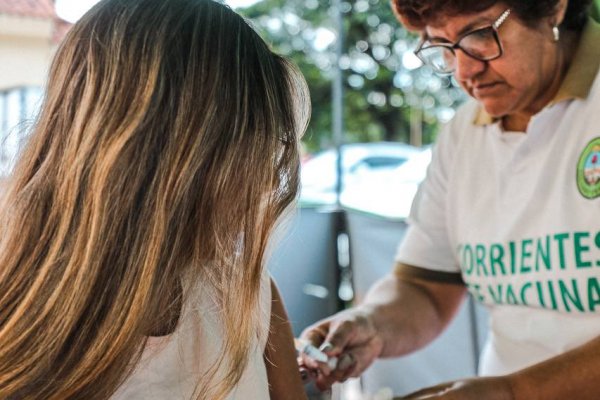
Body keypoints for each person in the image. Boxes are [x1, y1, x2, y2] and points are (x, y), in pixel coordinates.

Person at [0, 0, 311, 399]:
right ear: (175, 156)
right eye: (256, 146)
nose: (268, 179)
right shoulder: (21, 321)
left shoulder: (247, 295)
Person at [301, 0, 600, 398]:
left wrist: (513, 391)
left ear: (554, 9)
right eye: (442, 46)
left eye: (480, 36)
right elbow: (424, 286)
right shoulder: (463, 136)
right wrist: (371, 323)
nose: (464, 70)